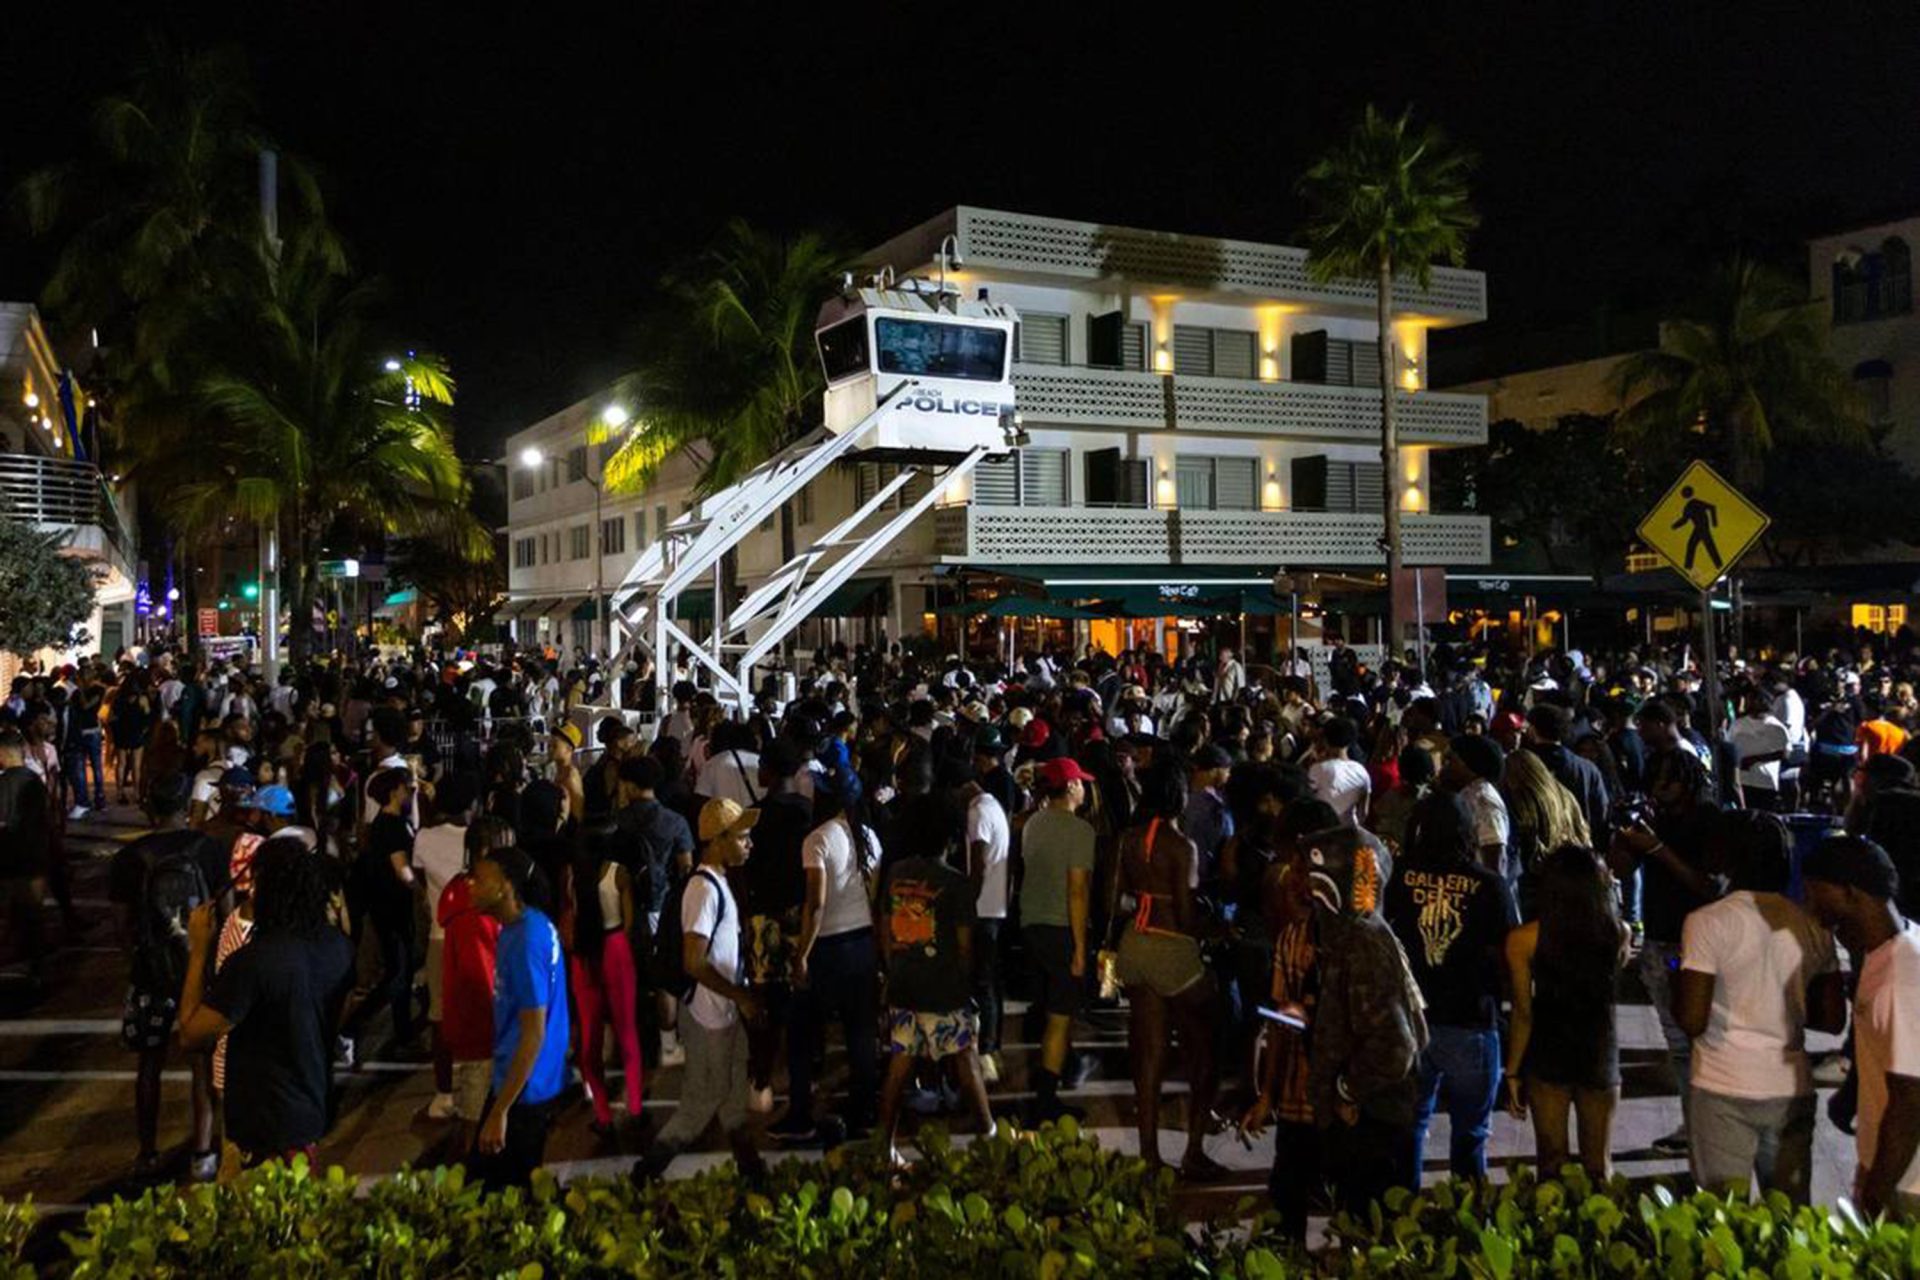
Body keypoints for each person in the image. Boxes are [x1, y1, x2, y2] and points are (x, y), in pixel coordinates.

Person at [1674, 811, 1844, 1204]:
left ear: (1730, 858)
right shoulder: (1810, 924)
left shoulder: (1707, 922)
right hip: (1790, 1085)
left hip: (1721, 1084)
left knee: (1719, 1217)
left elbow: (1692, 1019)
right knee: (1788, 1217)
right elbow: (1833, 1019)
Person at [178, 838, 355, 1169]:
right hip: (311, 1109)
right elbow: (339, 1016)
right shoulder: (338, 947)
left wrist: (198, 950)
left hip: (262, 1128)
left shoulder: (253, 962)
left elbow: (191, 1035)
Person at [1383, 791, 1516, 1180]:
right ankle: (1464, 1221)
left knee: (1409, 1127)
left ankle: (1401, 1215)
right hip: (1471, 1020)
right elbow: (1508, 953)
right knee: (1471, 1133)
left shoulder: (1397, 875)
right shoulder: (1489, 885)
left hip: (1412, 1018)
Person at [632, 798, 765, 1181]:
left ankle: (751, 1168)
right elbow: (694, 961)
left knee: (733, 1098)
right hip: (709, 1015)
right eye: (742, 837)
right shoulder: (704, 890)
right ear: (718, 840)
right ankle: (648, 1169)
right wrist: (739, 995)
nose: (748, 844)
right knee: (700, 1102)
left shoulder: (720, 882)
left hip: (722, 1013)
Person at [1305, 821, 1427, 1214]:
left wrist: (1346, 1090)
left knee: (1368, 1225)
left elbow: (1396, 1044)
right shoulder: (1358, 936)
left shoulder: (1363, 941)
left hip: (1373, 1121)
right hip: (1371, 1118)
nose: (1307, 887)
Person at [1112, 759, 1225, 1179]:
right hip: (1171, 949)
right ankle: (1193, 1151)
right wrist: (1218, 929)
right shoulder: (1183, 847)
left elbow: (1117, 899)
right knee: (1207, 1051)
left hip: (1135, 946)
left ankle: (1149, 1155)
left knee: (1149, 1055)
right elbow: (1185, 916)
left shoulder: (1128, 840)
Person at [109, 772, 225, 1180]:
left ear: (148, 808)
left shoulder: (130, 858)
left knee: (149, 1063)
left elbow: (122, 924)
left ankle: (146, 1150)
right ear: (184, 805)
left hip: (151, 973)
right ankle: (202, 1151)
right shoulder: (206, 848)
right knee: (200, 1062)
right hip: (199, 965)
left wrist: (138, 960)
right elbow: (222, 905)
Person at [1801, 835, 1920, 1218]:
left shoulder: (1903, 977)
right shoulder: (1890, 946)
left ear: (1850, 892)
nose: (1812, 908)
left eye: (1817, 894)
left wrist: (1870, 1200)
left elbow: (1911, 1100)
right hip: (1890, 1168)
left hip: (1908, 1182)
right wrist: (1851, 1094)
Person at [876, 791, 995, 1160]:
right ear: (950, 837)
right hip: (944, 988)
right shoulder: (955, 883)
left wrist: (893, 969)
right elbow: (963, 947)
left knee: (900, 1062)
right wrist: (964, 982)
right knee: (965, 1059)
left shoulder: (897, 873)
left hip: (905, 983)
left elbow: (883, 928)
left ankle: (884, 1143)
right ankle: (988, 1133)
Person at [1504, 845, 1630, 1179]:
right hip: (1599, 1047)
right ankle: (1599, 1228)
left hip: (1549, 1047)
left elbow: (1522, 1011)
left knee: (1551, 1161)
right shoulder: (1618, 933)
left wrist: (1513, 1071)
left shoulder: (1524, 939)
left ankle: (1550, 1226)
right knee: (1598, 1164)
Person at [782, 777, 882, 1142]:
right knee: (860, 1031)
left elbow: (817, 904)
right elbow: (873, 896)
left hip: (828, 946)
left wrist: (801, 955)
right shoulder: (868, 836)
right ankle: (865, 1110)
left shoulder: (818, 839)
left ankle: (799, 1113)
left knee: (801, 1032)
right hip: (863, 942)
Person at [467, 846, 569, 1188]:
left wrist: (500, 1111)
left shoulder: (525, 940)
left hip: (523, 1090)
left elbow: (533, 1032)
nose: (471, 886)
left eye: (479, 879)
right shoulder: (530, 925)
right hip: (528, 1083)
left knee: (493, 1192)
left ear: (505, 886)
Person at [1020, 756, 1097, 1123]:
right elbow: (1077, 892)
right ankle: (1046, 1100)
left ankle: (1056, 1073)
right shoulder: (1079, 831)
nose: (1084, 787)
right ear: (1069, 787)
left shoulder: (1033, 823)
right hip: (1060, 928)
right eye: (1080, 782)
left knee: (1051, 1010)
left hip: (1031, 924)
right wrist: (1081, 948)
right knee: (1060, 1017)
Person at [564, 821, 645, 1137]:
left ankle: (602, 1112)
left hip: (585, 957)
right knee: (627, 1034)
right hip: (615, 949)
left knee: (590, 1040)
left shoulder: (574, 878)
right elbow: (629, 922)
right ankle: (635, 1107)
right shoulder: (618, 873)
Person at [436, 817, 510, 1148]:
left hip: (469, 1013)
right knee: (481, 1106)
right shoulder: (483, 903)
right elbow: (482, 967)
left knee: (475, 1100)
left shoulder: (456, 893)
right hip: (488, 1015)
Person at [416, 773, 479, 1120]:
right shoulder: (480, 838)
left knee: (439, 1017)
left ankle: (443, 1093)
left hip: (441, 937)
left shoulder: (424, 838)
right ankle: (476, 1081)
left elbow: (417, 879)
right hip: (480, 936)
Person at [0, 729, 52, 982]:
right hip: (35, 855)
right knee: (33, 913)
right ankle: (37, 965)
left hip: (9, 857)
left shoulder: (3, 784)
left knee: (10, 912)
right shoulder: (34, 780)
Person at [1441, 734, 1509, 880]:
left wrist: (1490, 891)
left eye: (1450, 760)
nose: (1444, 767)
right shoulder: (1468, 793)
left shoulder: (1483, 800)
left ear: (1469, 764)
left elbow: (1494, 855)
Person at [1308, 717, 1371, 827]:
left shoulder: (1318, 769)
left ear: (1326, 740)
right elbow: (1363, 812)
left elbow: (1308, 800)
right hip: (1348, 829)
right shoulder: (1362, 772)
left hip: (1322, 829)